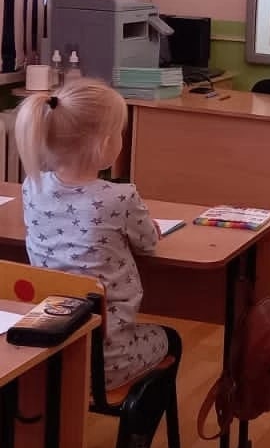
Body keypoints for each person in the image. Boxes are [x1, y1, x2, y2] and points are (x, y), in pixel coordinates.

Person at [15, 77, 172, 389]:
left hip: (50, 352)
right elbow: (148, 244)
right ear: (105, 144)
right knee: (169, 338)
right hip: (107, 361)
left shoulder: (32, 186)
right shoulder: (120, 197)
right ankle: (136, 423)